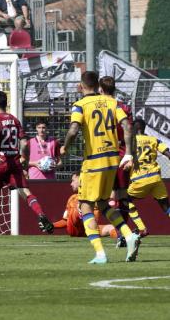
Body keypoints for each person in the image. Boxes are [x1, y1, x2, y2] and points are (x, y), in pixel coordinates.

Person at [61, 70, 139, 264]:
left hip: (93, 162)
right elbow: (128, 127)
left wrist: (64, 147)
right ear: (97, 85)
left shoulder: (80, 105)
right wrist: (128, 153)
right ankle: (129, 235)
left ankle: (100, 254)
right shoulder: (113, 103)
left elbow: (73, 129)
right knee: (103, 204)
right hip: (113, 161)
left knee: (85, 206)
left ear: (81, 86)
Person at [0, 91, 54, 243]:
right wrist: (24, 158)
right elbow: (25, 143)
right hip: (14, 162)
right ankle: (40, 214)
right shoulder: (15, 120)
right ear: (6, 103)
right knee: (25, 192)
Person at [98, 76, 133, 246]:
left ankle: (121, 233)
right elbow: (129, 130)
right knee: (122, 194)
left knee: (101, 199)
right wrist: (129, 153)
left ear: (100, 90)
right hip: (121, 154)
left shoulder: (98, 107)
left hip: (101, 154)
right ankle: (123, 233)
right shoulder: (124, 107)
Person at [125, 118, 170, 239]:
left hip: (140, 178)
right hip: (155, 177)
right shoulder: (154, 140)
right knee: (166, 206)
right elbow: (167, 153)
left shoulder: (130, 142)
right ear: (144, 128)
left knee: (125, 200)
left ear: (135, 128)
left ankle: (142, 228)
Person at [53, 174, 117, 239]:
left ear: (80, 179)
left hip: (91, 228)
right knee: (76, 209)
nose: (71, 184)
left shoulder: (94, 196)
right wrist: (52, 225)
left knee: (111, 228)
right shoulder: (72, 198)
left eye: (73, 181)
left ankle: (121, 240)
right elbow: (66, 221)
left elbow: (109, 203)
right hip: (77, 230)